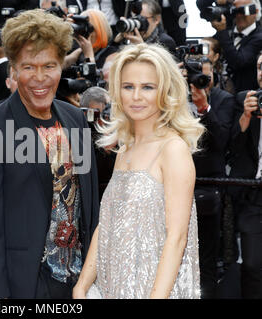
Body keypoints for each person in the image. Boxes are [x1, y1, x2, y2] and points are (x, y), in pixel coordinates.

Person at [0, 9, 99, 299]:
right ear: (12, 70)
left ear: (61, 65)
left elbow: (90, 206)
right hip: (23, 284)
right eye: (28, 67)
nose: (40, 78)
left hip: (79, 284)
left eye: (49, 66)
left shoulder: (75, 119)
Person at [73, 43, 204, 299]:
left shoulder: (173, 149)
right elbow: (108, 224)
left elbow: (177, 239)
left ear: (165, 91)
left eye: (147, 87)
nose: (136, 96)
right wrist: (83, 284)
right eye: (128, 86)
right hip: (114, 286)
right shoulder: (125, 149)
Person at [189, 57, 237, 298]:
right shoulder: (174, 99)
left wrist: (204, 109)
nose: (200, 82)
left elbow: (220, 142)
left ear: (214, 76)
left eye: (205, 77)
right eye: (195, 76)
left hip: (209, 187)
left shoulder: (224, 100)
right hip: (178, 183)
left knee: (207, 257)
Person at [228, 51, 262, 298]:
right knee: (250, 264)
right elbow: (232, 151)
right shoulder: (247, 101)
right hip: (254, 196)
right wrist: (245, 118)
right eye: (260, 67)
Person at [209, 0, 262, 93]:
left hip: (245, 95)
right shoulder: (228, 32)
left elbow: (238, 61)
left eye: (243, 11)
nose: (239, 15)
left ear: (256, 11)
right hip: (220, 94)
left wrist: (222, 32)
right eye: (235, 11)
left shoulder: (259, 37)